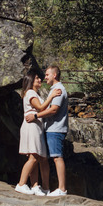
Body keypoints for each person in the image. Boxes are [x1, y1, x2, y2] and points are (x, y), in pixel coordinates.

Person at [15, 72, 53, 196]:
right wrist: (51, 97)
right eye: (37, 78)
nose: (40, 79)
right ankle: (21, 184)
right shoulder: (31, 92)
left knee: (37, 157)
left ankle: (35, 186)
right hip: (32, 126)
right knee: (34, 157)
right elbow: (41, 107)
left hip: (35, 126)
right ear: (30, 80)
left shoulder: (33, 93)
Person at [35, 64, 69, 197]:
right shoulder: (54, 89)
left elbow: (54, 109)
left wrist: (36, 115)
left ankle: (62, 189)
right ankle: (48, 188)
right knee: (50, 158)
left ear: (55, 75)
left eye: (47, 75)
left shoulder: (59, 89)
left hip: (56, 129)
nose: (45, 77)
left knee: (57, 157)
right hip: (51, 129)